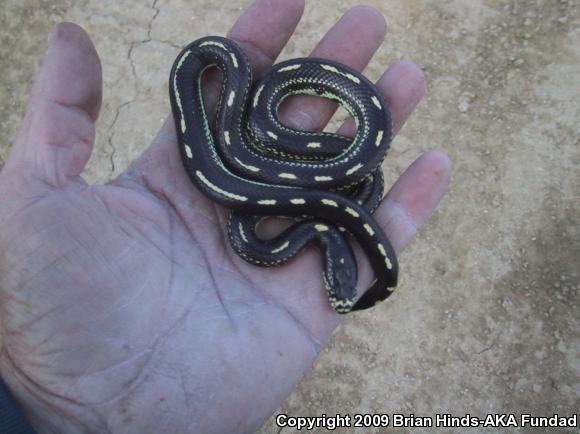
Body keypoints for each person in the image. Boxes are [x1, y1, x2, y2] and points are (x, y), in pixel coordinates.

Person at [0, 0, 451, 432]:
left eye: (337, 292)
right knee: (256, 143)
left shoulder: (276, 223)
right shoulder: (268, 195)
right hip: (264, 144)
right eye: (338, 289)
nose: (336, 294)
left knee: (297, 156)